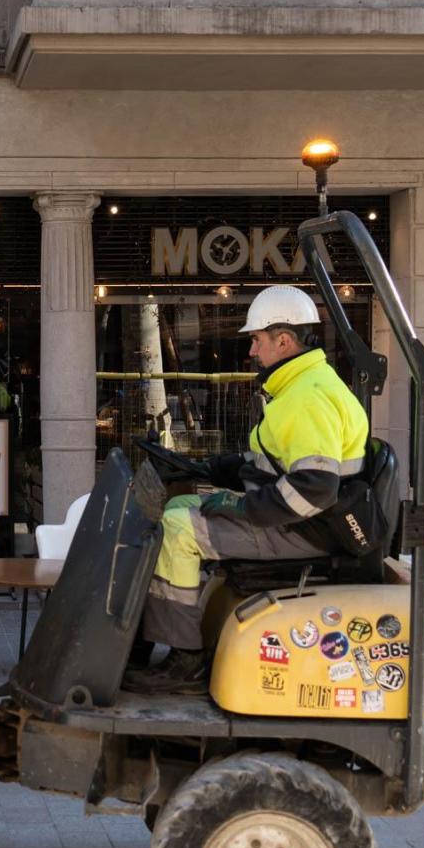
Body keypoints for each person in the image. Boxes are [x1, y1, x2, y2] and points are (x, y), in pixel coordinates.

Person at [124, 285, 372, 695]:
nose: (252, 351)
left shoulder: (307, 397)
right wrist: (214, 468)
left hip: (306, 528)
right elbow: (272, 461)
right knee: (182, 502)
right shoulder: (304, 385)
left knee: (176, 529)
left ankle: (185, 660)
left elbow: (314, 490)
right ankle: (147, 635)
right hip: (301, 520)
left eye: (256, 340)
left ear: (284, 341)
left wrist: (243, 508)